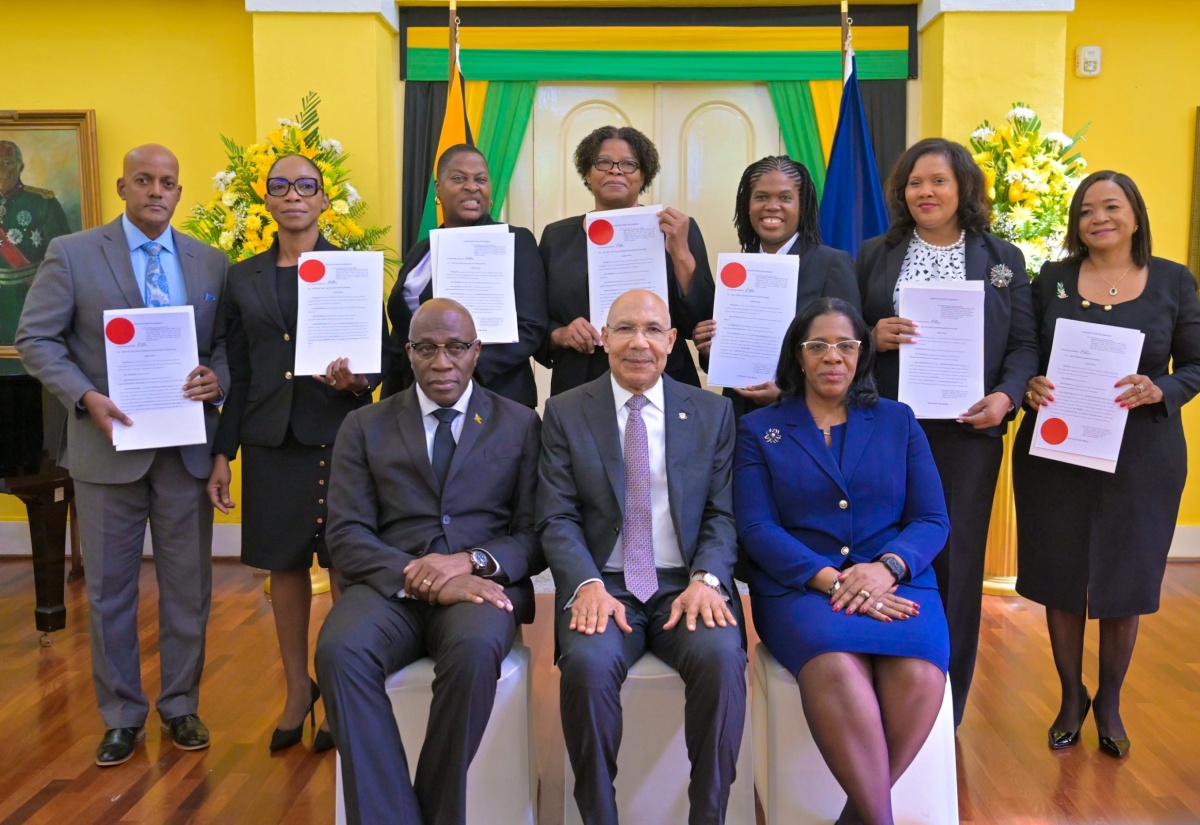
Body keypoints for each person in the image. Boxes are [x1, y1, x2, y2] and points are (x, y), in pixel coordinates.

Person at [15, 144, 228, 765]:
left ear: (179, 192)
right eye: (144, 180)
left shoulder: (209, 262)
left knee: (188, 588)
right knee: (110, 592)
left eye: (168, 182)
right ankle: (121, 715)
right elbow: (35, 338)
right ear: (122, 187)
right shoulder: (73, 253)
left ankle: (182, 705)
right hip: (109, 449)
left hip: (184, 452)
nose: (156, 191)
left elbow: (224, 351)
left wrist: (219, 381)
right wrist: (85, 396)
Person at [315, 298, 543, 825]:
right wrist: (425, 579)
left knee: (474, 648)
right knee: (338, 650)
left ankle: (437, 812)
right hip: (387, 589)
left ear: (476, 351)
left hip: (479, 588)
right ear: (408, 352)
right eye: (426, 348)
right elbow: (345, 533)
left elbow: (534, 535)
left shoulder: (520, 423)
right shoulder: (364, 424)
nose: (442, 362)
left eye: (456, 347)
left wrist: (470, 562)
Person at [734, 298, 949, 825]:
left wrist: (887, 568)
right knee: (834, 667)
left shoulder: (898, 420)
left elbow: (932, 519)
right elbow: (757, 528)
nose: (833, 356)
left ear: (862, 354)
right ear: (799, 356)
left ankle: (857, 818)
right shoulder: (760, 428)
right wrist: (833, 581)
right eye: (818, 345)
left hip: (898, 580)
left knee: (922, 677)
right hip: (802, 589)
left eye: (846, 345)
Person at [538, 288, 746, 825]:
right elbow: (556, 517)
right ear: (604, 339)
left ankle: (709, 815)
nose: (639, 343)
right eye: (625, 329)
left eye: (653, 330)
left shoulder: (712, 411)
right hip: (604, 585)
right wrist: (584, 584)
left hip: (686, 582)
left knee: (722, 659)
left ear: (672, 341)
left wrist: (707, 579)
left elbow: (723, 515)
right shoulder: (564, 412)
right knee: (585, 666)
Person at [1014, 171, 1200, 759]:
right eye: (1087, 209)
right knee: (1061, 576)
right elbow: (1024, 351)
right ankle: (1071, 697)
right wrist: (1030, 384)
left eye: (1112, 207)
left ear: (1135, 215)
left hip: (1143, 454)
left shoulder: (1174, 280)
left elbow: (1195, 367)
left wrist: (1160, 389)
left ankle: (1111, 700)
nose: (1099, 218)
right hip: (1058, 452)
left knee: (1127, 580)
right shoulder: (1052, 279)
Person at [206, 153, 386, 754]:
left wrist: (353, 382)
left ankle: (339, 692)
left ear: (323, 200)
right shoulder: (244, 276)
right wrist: (219, 453)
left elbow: (380, 362)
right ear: (267, 199)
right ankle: (294, 690)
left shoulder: (352, 271)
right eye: (279, 186)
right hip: (269, 440)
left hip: (339, 435)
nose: (293, 195)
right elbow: (239, 369)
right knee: (283, 568)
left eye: (305, 185)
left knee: (344, 565)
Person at [856, 137, 1037, 727]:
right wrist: (870, 337)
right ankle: (874, 690)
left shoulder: (1003, 259)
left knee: (957, 563)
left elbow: (1024, 345)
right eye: (914, 182)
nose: (925, 192)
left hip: (968, 433)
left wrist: (1007, 396)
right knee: (875, 546)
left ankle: (945, 708)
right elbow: (842, 330)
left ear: (963, 189)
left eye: (938, 181)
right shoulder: (873, 256)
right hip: (884, 429)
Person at [538, 126, 714, 396]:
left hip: (664, 379)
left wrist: (680, 253)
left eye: (629, 164)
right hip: (580, 381)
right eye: (603, 162)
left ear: (644, 175)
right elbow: (536, 318)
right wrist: (560, 334)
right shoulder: (556, 237)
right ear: (587, 172)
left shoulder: (677, 230)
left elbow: (699, 323)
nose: (615, 170)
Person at [693, 155, 860, 417]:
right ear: (746, 205)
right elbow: (726, 357)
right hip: (740, 416)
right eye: (761, 197)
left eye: (784, 198)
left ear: (802, 206)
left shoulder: (832, 264)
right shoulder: (738, 267)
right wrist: (709, 348)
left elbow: (848, 353)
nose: (772, 206)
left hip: (808, 418)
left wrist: (786, 394)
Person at [382, 144, 546, 407]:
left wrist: (461, 367)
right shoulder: (419, 251)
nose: (472, 186)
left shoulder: (515, 241)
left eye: (480, 179)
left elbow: (531, 328)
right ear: (438, 188)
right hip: (418, 400)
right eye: (459, 178)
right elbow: (402, 331)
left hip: (496, 397)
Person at [1, 139, 72, 353]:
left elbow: (64, 256)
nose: (1, 170)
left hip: (29, 296)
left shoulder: (43, 202)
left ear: (20, 166)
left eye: (6, 163)